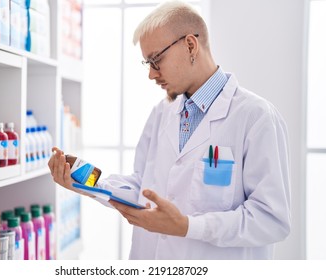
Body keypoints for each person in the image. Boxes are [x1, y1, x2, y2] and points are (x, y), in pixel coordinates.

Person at [48, 0, 291, 260]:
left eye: (156, 60)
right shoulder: (162, 113)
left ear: (190, 45)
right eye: (147, 64)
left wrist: (187, 227)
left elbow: (271, 220)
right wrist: (87, 181)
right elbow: (143, 186)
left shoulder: (256, 117)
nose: (152, 75)